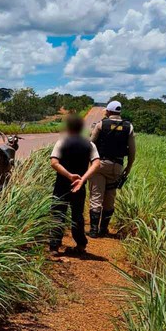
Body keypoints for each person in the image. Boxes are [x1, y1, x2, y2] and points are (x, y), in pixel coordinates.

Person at [49, 114, 101, 255]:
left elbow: (54, 163)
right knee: (77, 215)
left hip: (61, 184)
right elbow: (96, 163)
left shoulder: (62, 143)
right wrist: (82, 179)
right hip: (79, 186)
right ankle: (81, 245)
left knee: (57, 214)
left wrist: (69, 175)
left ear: (69, 128)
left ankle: (54, 246)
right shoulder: (89, 145)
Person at [88, 101, 136, 238]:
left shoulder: (101, 124)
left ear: (108, 112)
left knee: (96, 196)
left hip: (100, 165)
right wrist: (128, 167)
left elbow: (91, 144)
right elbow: (132, 150)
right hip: (117, 167)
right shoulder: (129, 127)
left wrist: (89, 165)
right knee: (110, 198)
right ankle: (104, 229)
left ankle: (93, 230)